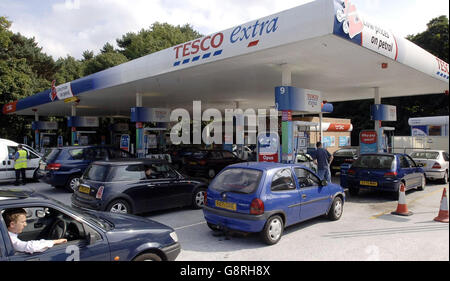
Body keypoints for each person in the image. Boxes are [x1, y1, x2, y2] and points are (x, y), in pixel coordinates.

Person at [3, 208, 67, 254]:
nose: (25, 224)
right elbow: (30, 247)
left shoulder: (6, 234)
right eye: (23, 222)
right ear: (12, 224)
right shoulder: (10, 239)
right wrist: (55, 241)